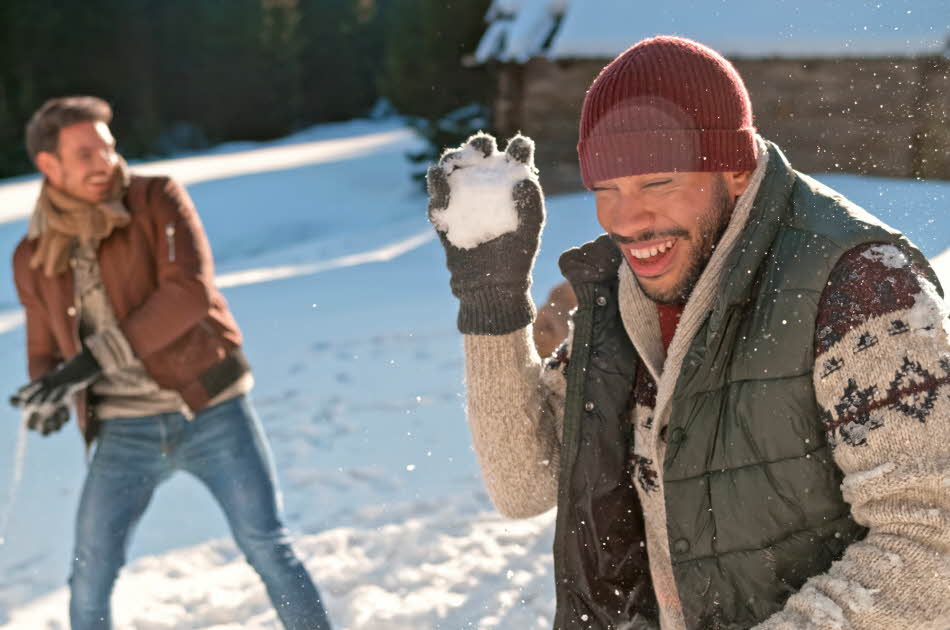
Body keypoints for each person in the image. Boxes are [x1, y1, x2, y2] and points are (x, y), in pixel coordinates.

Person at [427, 36, 950, 630]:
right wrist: (491, 307)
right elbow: (525, 484)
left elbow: (933, 544)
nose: (626, 220)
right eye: (606, 189)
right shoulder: (628, 297)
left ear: (734, 169)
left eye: (657, 183)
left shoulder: (861, 288)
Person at [9, 96, 333, 630]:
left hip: (212, 411)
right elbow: (44, 344)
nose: (105, 162)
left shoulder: (156, 199)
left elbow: (188, 294)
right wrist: (49, 393)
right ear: (49, 165)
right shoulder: (33, 254)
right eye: (84, 152)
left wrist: (88, 364)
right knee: (89, 574)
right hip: (122, 435)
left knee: (267, 545)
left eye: (108, 147)